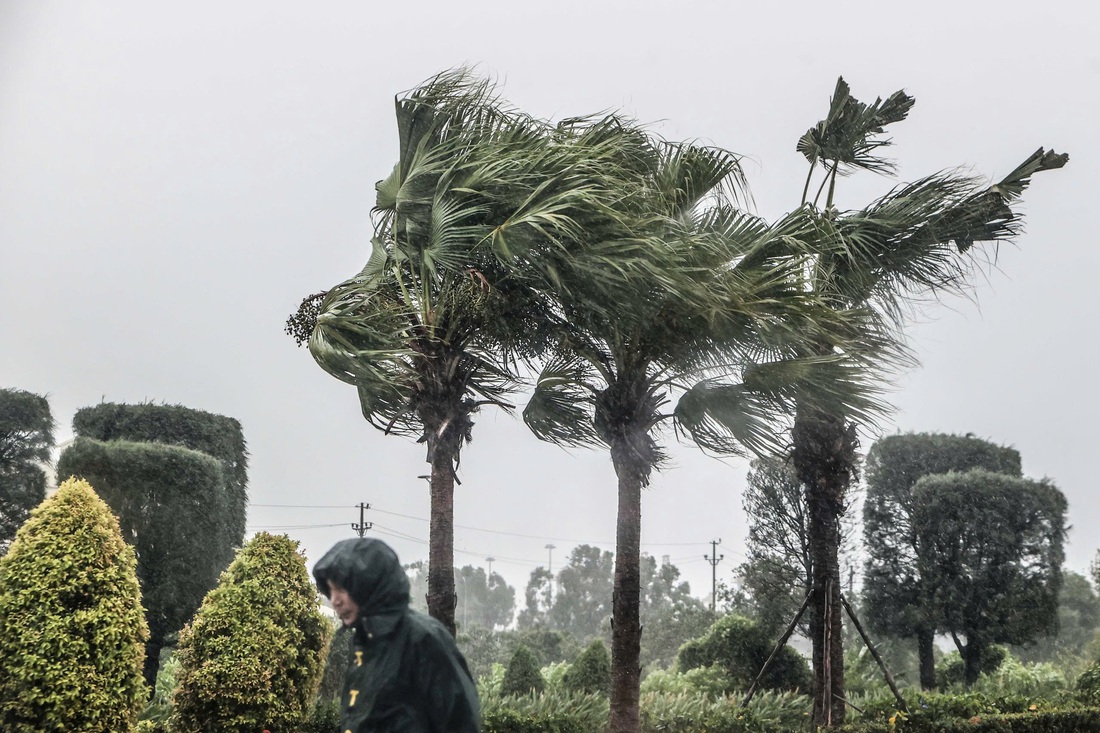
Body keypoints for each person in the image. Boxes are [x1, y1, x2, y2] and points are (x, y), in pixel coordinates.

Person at [313, 537, 482, 733]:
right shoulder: (363, 641)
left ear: (371, 584)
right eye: (330, 590)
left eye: (341, 589)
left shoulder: (423, 639)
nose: (335, 601)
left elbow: (460, 722)